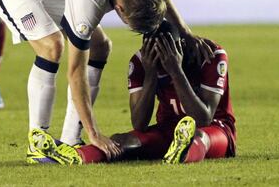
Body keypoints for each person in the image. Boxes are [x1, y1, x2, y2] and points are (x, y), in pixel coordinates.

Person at [0, 0, 214, 162]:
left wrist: (185, 32)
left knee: (101, 46)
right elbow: (75, 71)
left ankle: (70, 138)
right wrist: (95, 133)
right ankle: (37, 142)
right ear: (119, 10)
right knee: (52, 46)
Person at [31, 20, 236, 165]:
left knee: (198, 136)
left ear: (180, 46)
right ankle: (74, 156)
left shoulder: (210, 55)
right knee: (122, 141)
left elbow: (203, 117)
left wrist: (175, 70)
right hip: (167, 130)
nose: (161, 60)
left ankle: (183, 154)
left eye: (166, 54)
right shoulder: (140, 62)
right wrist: (151, 74)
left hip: (216, 130)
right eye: (155, 55)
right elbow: (139, 123)